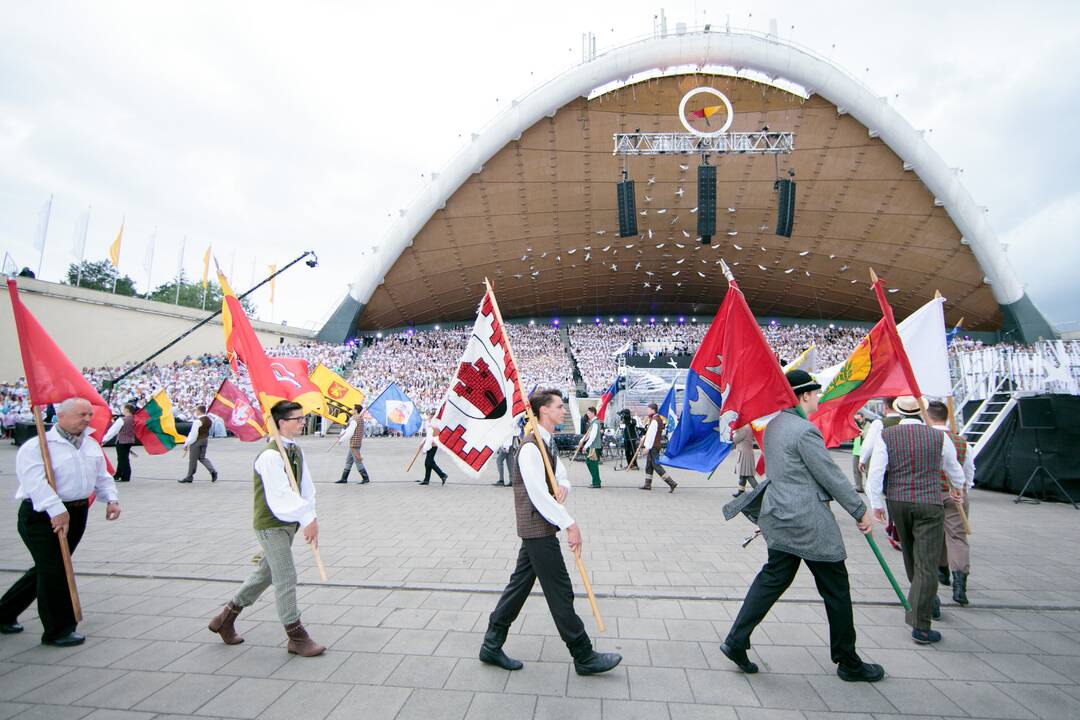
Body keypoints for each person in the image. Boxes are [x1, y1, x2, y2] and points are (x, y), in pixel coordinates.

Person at [719, 371, 884, 683]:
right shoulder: (804, 431)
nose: (818, 399)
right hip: (808, 523)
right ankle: (847, 660)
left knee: (771, 580)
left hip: (780, 517)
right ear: (805, 395)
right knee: (836, 589)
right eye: (816, 393)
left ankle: (736, 640)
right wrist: (859, 510)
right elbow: (829, 475)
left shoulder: (774, 426)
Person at [480, 389, 622, 676]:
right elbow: (538, 495)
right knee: (560, 591)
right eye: (558, 406)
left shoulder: (547, 443)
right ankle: (583, 654)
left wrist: (564, 485)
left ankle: (491, 644)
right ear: (543, 411)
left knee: (518, 588)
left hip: (539, 527)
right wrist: (570, 524)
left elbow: (559, 476)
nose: (562, 410)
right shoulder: (531, 447)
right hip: (537, 528)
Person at [0, 397, 122, 646]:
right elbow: (34, 482)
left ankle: (4, 612)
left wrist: (111, 499)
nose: (87, 419)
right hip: (42, 514)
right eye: (81, 415)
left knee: (49, 567)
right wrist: (55, 509)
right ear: (61, 417)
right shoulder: (38, 446)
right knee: (55, 569)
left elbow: (102, 476)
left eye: (89, 414)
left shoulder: (89, 444)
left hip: (76, 513)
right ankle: (59, 629)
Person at [207, 400, 325, 657]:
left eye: (303, 418)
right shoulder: (270, 456)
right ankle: (296, 636)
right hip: (271, 525)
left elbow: (306, 487)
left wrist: (310, 516)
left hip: (288, 523)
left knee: (265, 574)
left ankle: (225, 618)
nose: (302, 422)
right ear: (282, 423)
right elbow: (279, 496)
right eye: (298, 419)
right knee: (286, 576)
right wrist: (306, 518)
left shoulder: (294, 450)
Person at [866, 396, 966, 644]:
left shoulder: (887, 436)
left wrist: (877, 504)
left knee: (911, 555)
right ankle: (922, 621)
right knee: (927, 561)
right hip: (929, 500)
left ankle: (924, 599)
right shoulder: (938, 437)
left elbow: (876, 471)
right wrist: (959, 487)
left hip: (898, 500)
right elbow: (953, 468)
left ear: (898, 412)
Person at [926, 401, 975, 606]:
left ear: (927, 416)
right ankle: (959, 583)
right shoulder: (961, 441)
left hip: (931, 492)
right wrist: (964, 489)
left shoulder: (927, 439)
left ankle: (941, 571)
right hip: (955, 493)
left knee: (934, 534)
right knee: (957, 536)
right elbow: (968, 469)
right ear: (946, 417)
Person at [639, 403, 676, 492]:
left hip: (653, 447)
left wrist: (647, 447)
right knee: (649, 466)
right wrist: (644, 437)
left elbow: (652, 435)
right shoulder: (655, 419)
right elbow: (649, 433)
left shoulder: (655, 420)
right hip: (654, 446)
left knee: (656, 466)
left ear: (652, 410)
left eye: (648, 409)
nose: (647, 411)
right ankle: (647, 484)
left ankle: (671, 483)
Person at [332, 404, 371, 484]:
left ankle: (365, 478)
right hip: (355, 443)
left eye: (353, 409)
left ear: (356, 410)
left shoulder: (355, 420)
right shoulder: (357, 419)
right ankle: (344, 478)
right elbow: (348, 429)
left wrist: (341, 440)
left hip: (354, 444)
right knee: (349, 461)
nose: (351, 410)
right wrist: (341, 434)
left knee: (357, 460)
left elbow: (350, 432)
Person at [180, 404, 218, 483]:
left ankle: (189, 476)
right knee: (202, 457)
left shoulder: (198, 421)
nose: (195, 412)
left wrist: (187, 443)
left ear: (199, 411)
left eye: (196, 410)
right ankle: (212, 471)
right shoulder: (209, 420)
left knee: (193, 459)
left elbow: (193, 434)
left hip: (197, 441)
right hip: (205, 439)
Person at [102, 403, 138, 483]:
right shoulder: (134, 419)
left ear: (127, 410)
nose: (123, 410)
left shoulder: (122, 420)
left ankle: (125, 476)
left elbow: (112, 432)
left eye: (124, 409)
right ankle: (118, 474)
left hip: (122, 441)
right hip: (130, 440)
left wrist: (103, 440)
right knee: (123, 458)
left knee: (122, 459)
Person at [575, 406, 603, 489]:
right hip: (592, 446)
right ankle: (597, 480)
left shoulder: (595, 423)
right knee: (589, 462)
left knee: (593, 464)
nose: (587, 414)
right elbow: (588, 434)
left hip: (594, 446)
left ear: (593, 413)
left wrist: (585, 446)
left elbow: (592, 436)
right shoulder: (593, 422)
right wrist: (582, 440)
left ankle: (596, 482)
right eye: (587, 413)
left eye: (589, 413)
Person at [419, 413, 448, 486]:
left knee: (429, 462)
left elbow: (435, 436)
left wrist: (428, 444)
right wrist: (422, 443)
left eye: (430, 417)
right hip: (430, 445)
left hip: (433, 446)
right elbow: (428, 436)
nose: (428, 418)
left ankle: (443, 475)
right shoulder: (430, 425)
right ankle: (426, 480)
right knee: (428, 463)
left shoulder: (435, 425)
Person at [731, 425, 757, 497]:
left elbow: (736, 439)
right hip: (746, 452)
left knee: (748, 475)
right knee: (743, 474)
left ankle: (759, 492)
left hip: (744, 454)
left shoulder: (743, 428)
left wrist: (734, 432)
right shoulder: (748, 426)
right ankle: (741, 491)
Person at [851, 412, 868, 493]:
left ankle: (870, 487)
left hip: (867, 451)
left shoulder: (869, 425)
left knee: (868, 470)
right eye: (855, 420)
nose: (857, 421)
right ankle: (859, 487)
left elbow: (870, 434)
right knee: (856, 470)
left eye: (858, 419)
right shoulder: (854, 426)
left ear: (863, 417)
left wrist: (863, 432)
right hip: (856, 450)